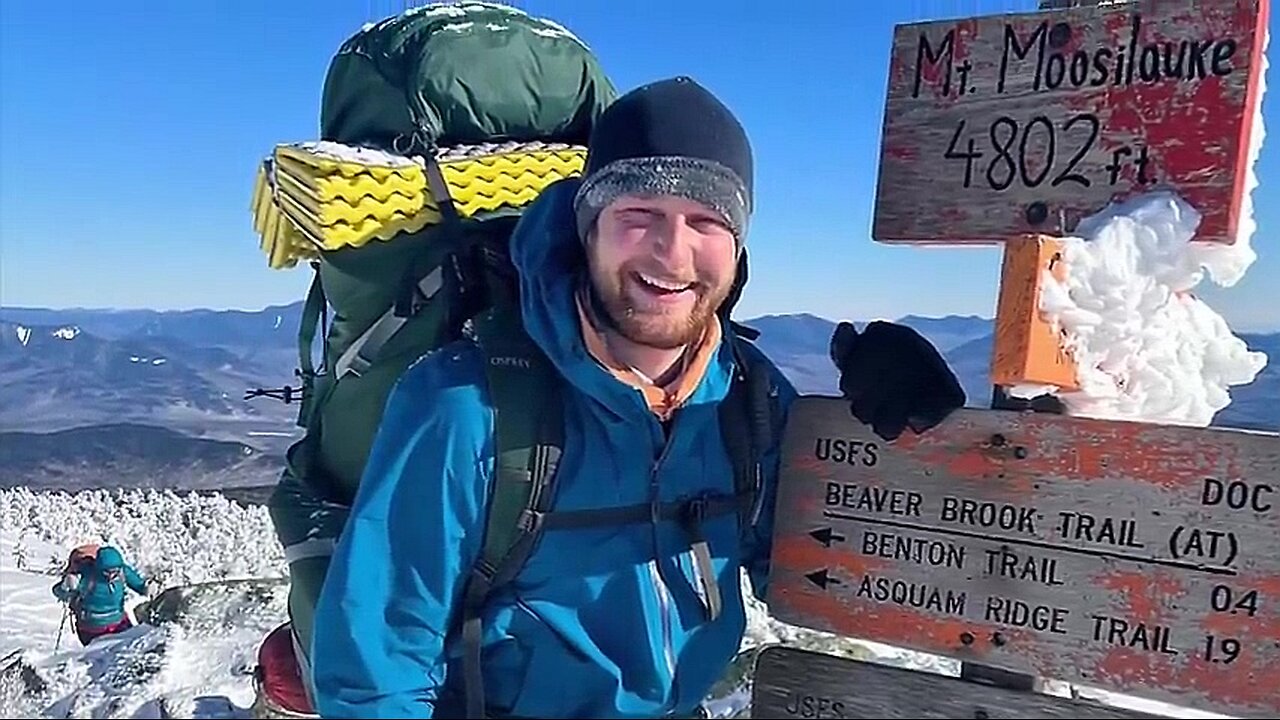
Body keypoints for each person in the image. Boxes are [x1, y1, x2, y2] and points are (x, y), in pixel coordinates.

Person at [309, 76, 966, 718]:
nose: (672, 252)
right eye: (638, 214)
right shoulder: (465, 404)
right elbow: (377, 670)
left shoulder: (750, 398)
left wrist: (918, 444)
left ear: (737, 249)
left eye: (706, 221)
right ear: (587, 227)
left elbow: (831, 575)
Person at [51, 544, 149, 646]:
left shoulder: (122, 572)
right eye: (107, 572)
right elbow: (58, 592)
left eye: (115, 571)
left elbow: (140, 586)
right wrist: (66, 586)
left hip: (119, 623)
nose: (111, 575)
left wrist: (147, 588)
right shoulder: (85, 575)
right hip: (92, 629)